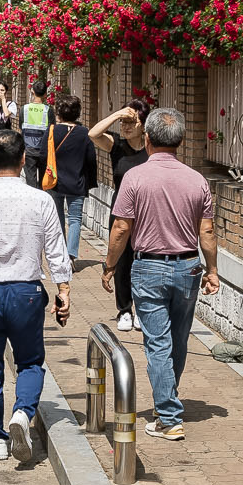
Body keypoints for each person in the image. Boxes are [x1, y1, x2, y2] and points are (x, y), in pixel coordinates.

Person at [0, 128, 72, 465]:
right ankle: (22, 412)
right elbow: (56, 249)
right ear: (23, 159)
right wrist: (63, 288)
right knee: (31, 362)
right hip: (27, 291)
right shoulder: (41, 200)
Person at [102, 107, 218, 444]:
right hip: (188, 267)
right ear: (180, 140)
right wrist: (212, 271)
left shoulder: (135, 177)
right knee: (178, 339)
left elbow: (122, 227)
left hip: (148, 266)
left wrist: (110, 265)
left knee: (157, 343)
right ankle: (167, 401)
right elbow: (207, 232)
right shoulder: (197, 180)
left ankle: (168, 416)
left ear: (148, 138)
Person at [88, 99, 151, 332]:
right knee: (122, 260)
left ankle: (142, 310)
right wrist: (116, 115)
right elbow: (93, 133)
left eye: (130, 122)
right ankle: (124, 309)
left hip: (147, 212)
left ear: (143, 125)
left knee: (143, 261)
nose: (125, 127)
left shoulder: (151, 147)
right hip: (121, 210)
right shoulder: (116, 146)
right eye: (123, 123)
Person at [45, 94, 97, 261]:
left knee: (58, 217)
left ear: (58, 113)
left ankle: (60, 254)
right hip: (77, 182)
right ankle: (71, 255)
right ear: (78, 113)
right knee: (75, 219)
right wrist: (90, 181)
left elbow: (41, 155)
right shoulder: (84, 133)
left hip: (55, 182)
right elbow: (91, 159)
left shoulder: (52, 130)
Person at [19, 82, 51, 188]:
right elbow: (52, 130)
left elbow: (21, 127)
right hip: (44, 151)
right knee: (43, 183)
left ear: (32, 91)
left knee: (30, 182)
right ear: (45, 94)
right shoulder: (48, 110)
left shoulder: (24, 109)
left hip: (28, 150)